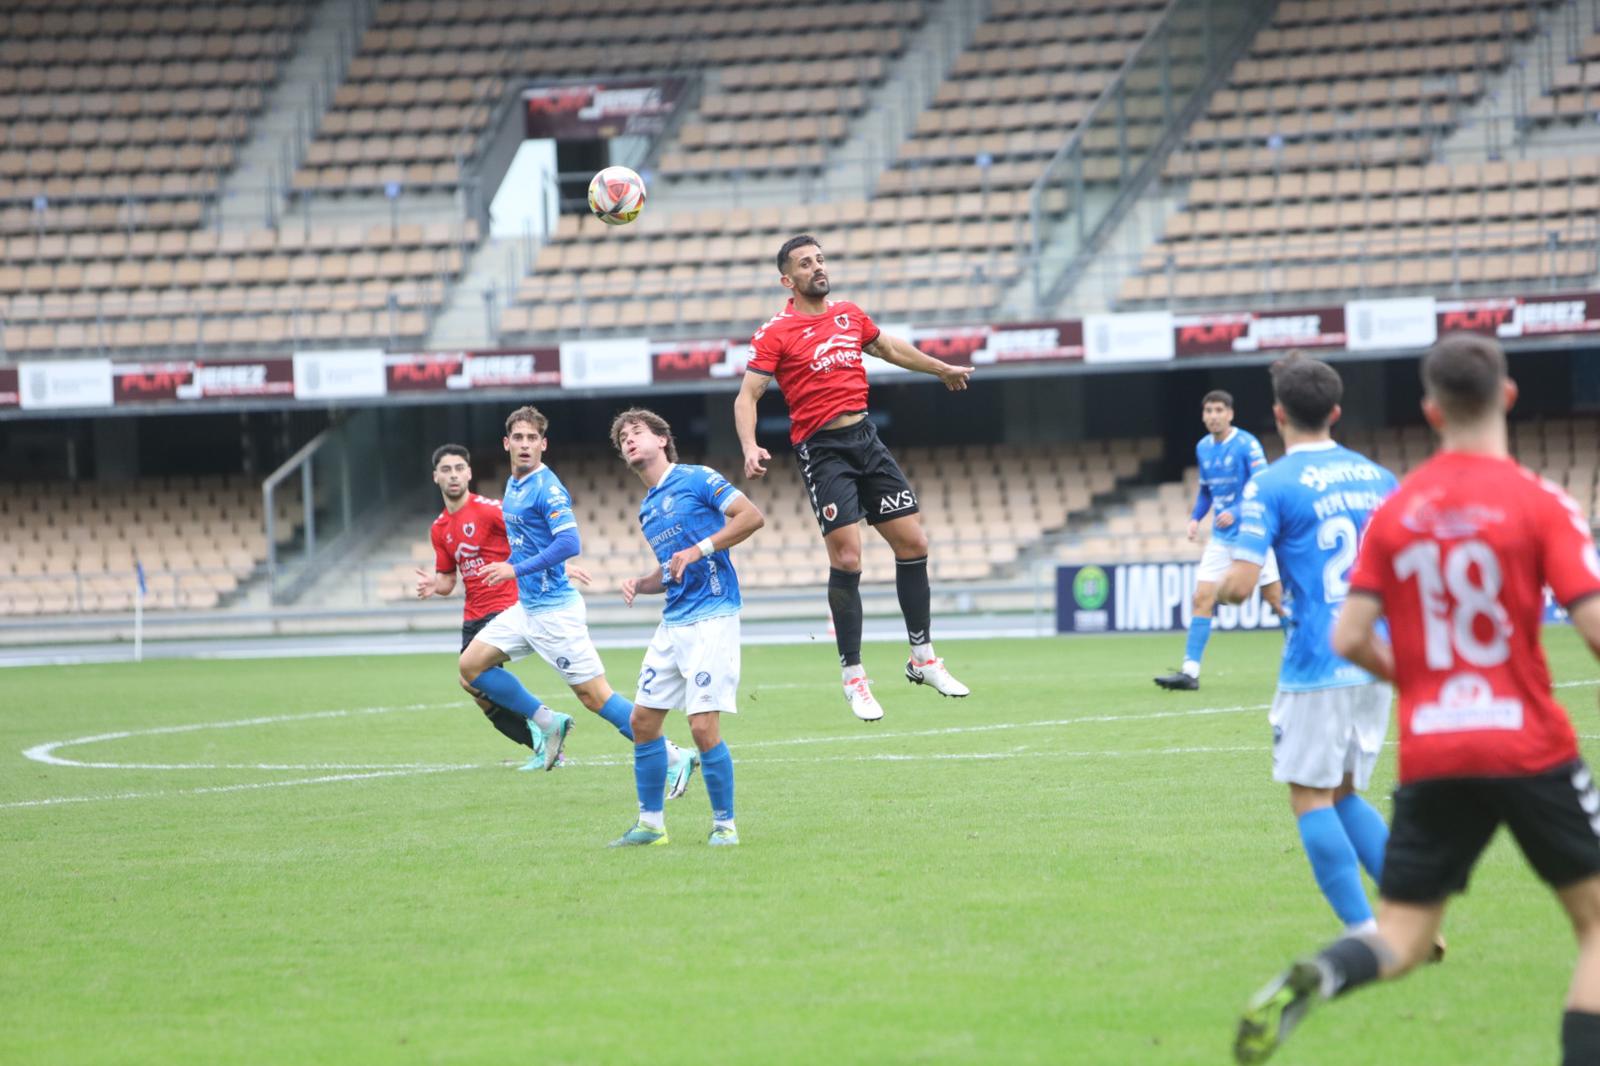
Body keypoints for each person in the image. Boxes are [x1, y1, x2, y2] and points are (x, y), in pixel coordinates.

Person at [1233, 334, 1600, 1065]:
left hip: (1435, 743)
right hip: (1528, 741)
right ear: (1508, 397)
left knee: (1399, 935)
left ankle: (1330, 968)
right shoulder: (1533, 501)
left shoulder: (1410, 512)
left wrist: (1423, 683)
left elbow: (1350, 631)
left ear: (1431, 411)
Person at [733, 233, 974, 722]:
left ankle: (923, 658)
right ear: (788, 279)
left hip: (867, 440)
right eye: (805, 263)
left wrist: (940, 368)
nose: (817, 267)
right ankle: (854, 676)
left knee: (913, 544)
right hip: (822, 452)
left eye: (820, 259)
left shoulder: (849, 314)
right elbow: (747, 396)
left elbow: (888, 348)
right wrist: (750, 445)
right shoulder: (775, 332)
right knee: (847, 557)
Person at [1214, 356, 1399, 937]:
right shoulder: (1378, 477)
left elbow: (1242, 587)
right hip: (1377, 654)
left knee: (1310, 796)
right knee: (1343, 792)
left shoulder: (1269, 483)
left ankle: (1366, 933)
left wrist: (1216, 592)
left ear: (1277, 414)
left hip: (1318, 660)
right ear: (1336, 413)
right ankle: (1411, 915)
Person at [455, 408, 697, 794]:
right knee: (470, 666)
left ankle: (673, 756)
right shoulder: (515, 484)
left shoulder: (546, 487)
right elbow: (534, 543)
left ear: (543, 445)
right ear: (507, 443)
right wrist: (543, 568)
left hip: (555, 614)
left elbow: (569, 543)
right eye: (518, 438)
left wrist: (515, 571)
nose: (525, 445)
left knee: (595, 696)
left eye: (532, 439)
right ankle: (548, 722)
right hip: (528, 608)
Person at [606, 408, 765, 847]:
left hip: (713, 615)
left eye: (637, 432)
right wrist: (643, 581)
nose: (629, 441)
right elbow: (671, 569)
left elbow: (751, 516)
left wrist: (700, 549)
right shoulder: (648, 510)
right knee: (642, 722)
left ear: (662, 438)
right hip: (673, 622)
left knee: (701, 728)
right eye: (623, 439)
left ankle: (725, 827)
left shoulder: (697, 477)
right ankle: (651, 825)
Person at [1156, 390, 1285, 691]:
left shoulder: (1246, 444)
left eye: (1218, 410)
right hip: (1221, 537)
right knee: (1201, 597)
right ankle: (1190, 672)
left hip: (1252, 532)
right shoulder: (1203, 447)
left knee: (1276, 601)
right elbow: (1205, 491)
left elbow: (1262, 484)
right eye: (1208, 411)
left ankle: (1307, 659)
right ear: (1203, 416)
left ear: (1230, 414)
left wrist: (1238, 511)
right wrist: (1194, 518)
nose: (1213, 415)